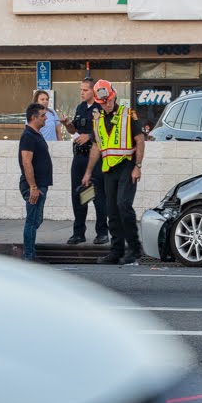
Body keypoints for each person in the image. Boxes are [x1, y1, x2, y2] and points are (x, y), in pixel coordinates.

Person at [81, 79, 145, 265]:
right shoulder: (97, 118)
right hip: (108, 169)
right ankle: (116, 251)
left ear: (114, 95)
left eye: (109, 99)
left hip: (127, 166)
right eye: (103, 102)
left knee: (123, 205)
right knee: (112, 211)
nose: (107, 104)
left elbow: (140, 141)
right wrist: (88, 172)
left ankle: (134, 248)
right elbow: (96, 147)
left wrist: (137, 166)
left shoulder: (128, 114)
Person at [61, 78, 108, 245]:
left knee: (98, 196)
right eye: (81, 90)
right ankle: (78, 233)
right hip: (79, 157)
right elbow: (74, 130)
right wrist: (67, 124)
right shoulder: (81, 107)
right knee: (79, 195)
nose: (82, 92)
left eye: (85, 90)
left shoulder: (100, 108)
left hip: (94, 158)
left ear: (93, 92)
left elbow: (104, 132)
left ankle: (102, 232)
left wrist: (89, 136)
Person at [18, 102, 53, 262]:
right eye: (43, 115)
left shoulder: (36, 134)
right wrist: (33, 187)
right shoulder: (28, 136)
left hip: (40, 185)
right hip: (34, 186)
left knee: (36, 220)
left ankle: (29, 252)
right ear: (33, 117)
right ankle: (28, 256)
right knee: (32, 221)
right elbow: (26, 162)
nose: (46, 118)